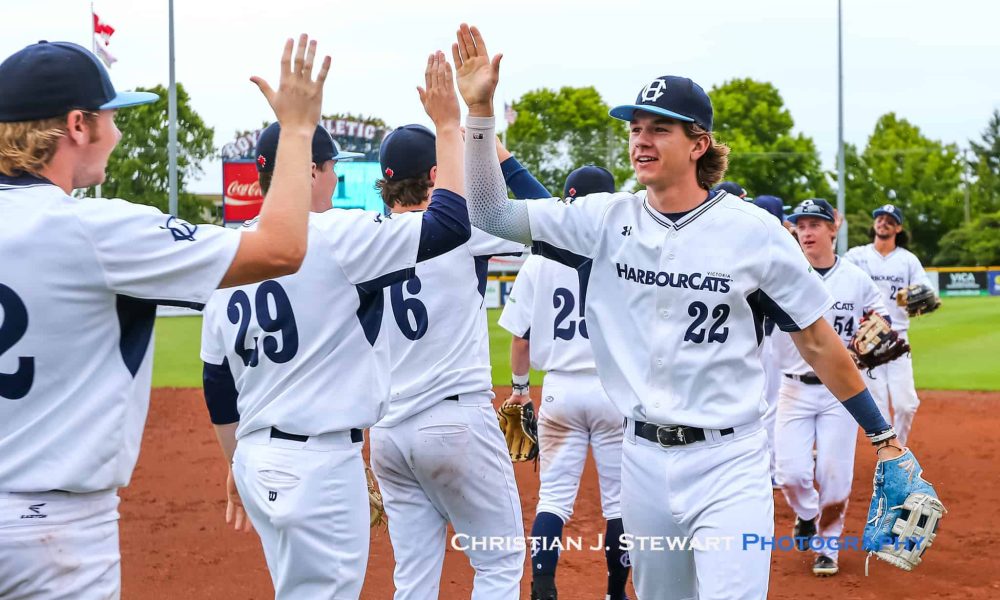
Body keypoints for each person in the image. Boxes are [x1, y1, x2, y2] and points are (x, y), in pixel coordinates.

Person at [452, 23, 916, 600]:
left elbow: (819, 341)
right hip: (642, 459)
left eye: (659, 129)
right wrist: (478, 113)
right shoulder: (605, 219)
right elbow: (492, 214)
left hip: (729, 459)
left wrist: (883, 437)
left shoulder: (756, 233)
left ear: (699, 144)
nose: (640, 140)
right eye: (636, 128)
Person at [0, 35, 327, 598]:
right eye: (110, 116)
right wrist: (298, 131)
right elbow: (280, 249)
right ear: (77, 126)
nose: (119, 131)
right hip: (55, 534)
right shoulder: (97, 230)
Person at [199, 52, 472, 599]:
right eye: (332, 169)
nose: (335, 180)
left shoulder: (227, 250)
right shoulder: (338, 235)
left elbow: (217, 385)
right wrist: (448, 125)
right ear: (313, 169)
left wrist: (237, 462)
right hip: (319, 464)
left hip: (257, 460)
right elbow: (448, 224)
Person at [368, 113, 528, 599]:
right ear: (437, 175)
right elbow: (550, 216)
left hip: (387, 434)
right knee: (499, 562)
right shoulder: (467, 227)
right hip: (453, 420)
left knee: (413, 578)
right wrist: (497, 152)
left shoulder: (362, 235)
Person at [498, 164, 632, 600]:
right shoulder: (626, 251)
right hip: (614, 391)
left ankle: (542, 587)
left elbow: (520, 339)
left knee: (553, 499)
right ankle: (615, 592)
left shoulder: (540, 256)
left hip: (558, 389)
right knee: (618, 504)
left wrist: (520, 389)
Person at [772, 199, 889, 577]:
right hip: (793, 389)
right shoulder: (783, 275)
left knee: (835, 475)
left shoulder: (854, 278)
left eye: (814, 225)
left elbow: (881, 317)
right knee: (789, 473)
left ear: (832, 229)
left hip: (840, 392)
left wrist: (875, 334)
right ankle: (807, 513)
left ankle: (828, 547)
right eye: (800, 225)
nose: (805, 232)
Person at [844, 204, 931, 446]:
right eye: (880, 218)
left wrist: (920, 296)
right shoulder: (856, 256)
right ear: (875, 224)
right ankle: (888, 455)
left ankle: (899, 447)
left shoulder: (908, 260)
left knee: (906, 404)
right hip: (866, 340)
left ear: (898, 228)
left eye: (890, 220)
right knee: (879, 404)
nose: (883, 222)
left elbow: (927, 292)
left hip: (897, 338)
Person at [751, 193, 789, 485]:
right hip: (771, 337)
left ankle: (767, 466)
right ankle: (771, 470)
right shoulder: (778, 245)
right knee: (771, 404)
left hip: (755, 336)